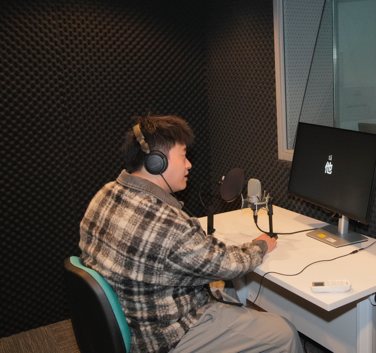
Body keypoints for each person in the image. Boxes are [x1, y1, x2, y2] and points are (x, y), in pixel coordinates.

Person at [79, 115, 302, 353]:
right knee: (284, 333)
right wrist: (260, 245)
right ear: (157, 162)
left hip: (128, 323)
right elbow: (228, 265)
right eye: (183, 155)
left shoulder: (105, 194)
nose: (189, 165)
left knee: (227, 295)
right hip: (164, 337)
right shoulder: (166, 223)